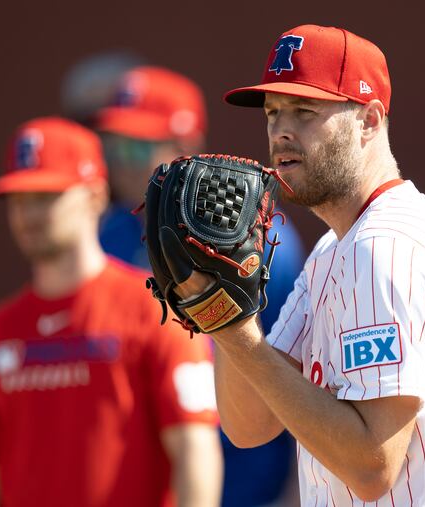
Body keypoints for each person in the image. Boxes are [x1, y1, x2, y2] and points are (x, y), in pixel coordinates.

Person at [171, 24, 425, 505]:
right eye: (273, 113)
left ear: (369, 121)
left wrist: (237, 337)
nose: (281, 131)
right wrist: (229, 313)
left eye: (305, 111)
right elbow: (250, 425)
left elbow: (371, 466)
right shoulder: (333, 250)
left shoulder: (385, 247)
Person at [0, 117, 222, 507]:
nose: (28, 215)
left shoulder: (158, 312)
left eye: (46, 196)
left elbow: (195, 452)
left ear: (96, 196)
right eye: (18, 199)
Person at [94, 65, 303, 506]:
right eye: (114, 148)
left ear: (185, 146)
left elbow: (302, 378)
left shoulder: (263, 244)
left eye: (137, 148)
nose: (121, 164)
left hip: (248, 492)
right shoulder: (104, 238)